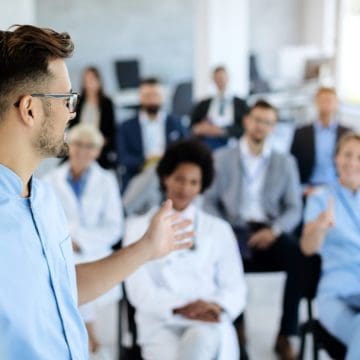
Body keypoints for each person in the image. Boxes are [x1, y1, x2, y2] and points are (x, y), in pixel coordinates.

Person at [0, 25, 193, 360]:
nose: (71, 113)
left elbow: (61, 289)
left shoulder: (44, 200)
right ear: (29, 109)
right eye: (65, 99)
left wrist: (146, 249)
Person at [124, 140, 246, 360]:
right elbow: (138, 291)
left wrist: (213, 306)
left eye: (193, 182)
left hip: (208, 321)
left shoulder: (218, 229)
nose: (185, 188)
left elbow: (235, 286)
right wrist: (182, 307)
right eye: (179, 179)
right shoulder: (137, 228)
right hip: (160, 322)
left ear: (202, 185)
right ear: (165, 177)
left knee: (200, 338)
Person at [203, 100, 303, 360]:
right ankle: (238, 331)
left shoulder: (285, 162)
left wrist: (276, 230)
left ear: (274, 127)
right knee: (222, 258)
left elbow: (294, 207)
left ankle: (285, 333)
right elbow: (209, 201)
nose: (261, 126)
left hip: (270, 230)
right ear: (247, 121)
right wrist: (224, 230)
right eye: (257, 120)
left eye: (268, 122)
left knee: (300, 256)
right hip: (234, 229)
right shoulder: (222, 158)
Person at [45, 124, 123, 358]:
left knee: (79, 283)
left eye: (89, 146)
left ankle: (90, 342)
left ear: (97, 152)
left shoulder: (107, 180)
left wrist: (80, 241)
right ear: (69, 147)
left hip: (96, 253)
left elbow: (114, 227)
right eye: (78, 144)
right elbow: (48, 221)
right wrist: (67, 240)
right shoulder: (50, 180)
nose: (82, 151)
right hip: (62, 250)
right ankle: (90, 342)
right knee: (72, 281)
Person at [301, 132, 360, 360]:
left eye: (359, 157)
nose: (353, 163)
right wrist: (320, 225)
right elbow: (307, 248)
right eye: (347, 155)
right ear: (336, 158)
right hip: (336, 294)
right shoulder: (320, 199)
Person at [117, 77, 188, 190]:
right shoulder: (126, 126)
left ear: (162, 97)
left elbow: (186, 151)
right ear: (140, 97)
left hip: (171, 177)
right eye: (147, 96)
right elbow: (123, 157)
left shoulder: (176, 123)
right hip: (137, 177)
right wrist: (146, 161)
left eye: (155, 95)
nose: (152, 100)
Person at [290, 87, 349, 196]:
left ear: (337, 104)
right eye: (322, 100)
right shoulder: (301, 133)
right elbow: (292, 164)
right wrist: (302, 189)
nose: (326, 104)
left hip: (339, 189)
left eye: (330, 100)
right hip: (308, 189)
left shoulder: (347, 134)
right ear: (315, 103)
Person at [69, 66, 117, 169]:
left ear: (99, 81)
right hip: (79, 145)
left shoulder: (107, 103)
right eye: (86, 80)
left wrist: (99, 143)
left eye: (92, 79)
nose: (89, 83)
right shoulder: (78, 102)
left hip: (99, 147)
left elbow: (111, 130)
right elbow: (72, 127)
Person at [190, 66, 248, 150]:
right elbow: (193, 125)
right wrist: (201, 128)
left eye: (222, 78)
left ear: (228, 78)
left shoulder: (240, 103)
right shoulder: (204, 103)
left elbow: (246, 127)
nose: (220, 81)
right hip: (208, 141)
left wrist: (223, 131)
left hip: (231, 141)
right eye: (216, 79)